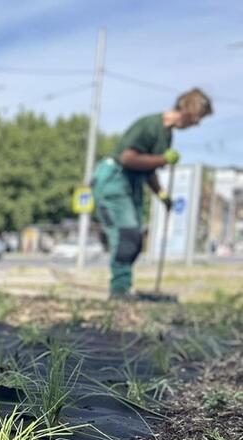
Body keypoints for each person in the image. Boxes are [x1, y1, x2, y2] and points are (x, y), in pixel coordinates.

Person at [91, 88, 213, 299]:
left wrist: (163, 195)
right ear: (189, 111)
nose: (196, 125)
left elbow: (149, 171)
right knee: (126, 236)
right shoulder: (150, 125)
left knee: (136, 239)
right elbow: (128, 158)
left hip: (131, 183)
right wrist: (163, 160)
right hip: (114, 179)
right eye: (197, 119)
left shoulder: (166, 136)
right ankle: (119, 290)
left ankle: (123, 286)